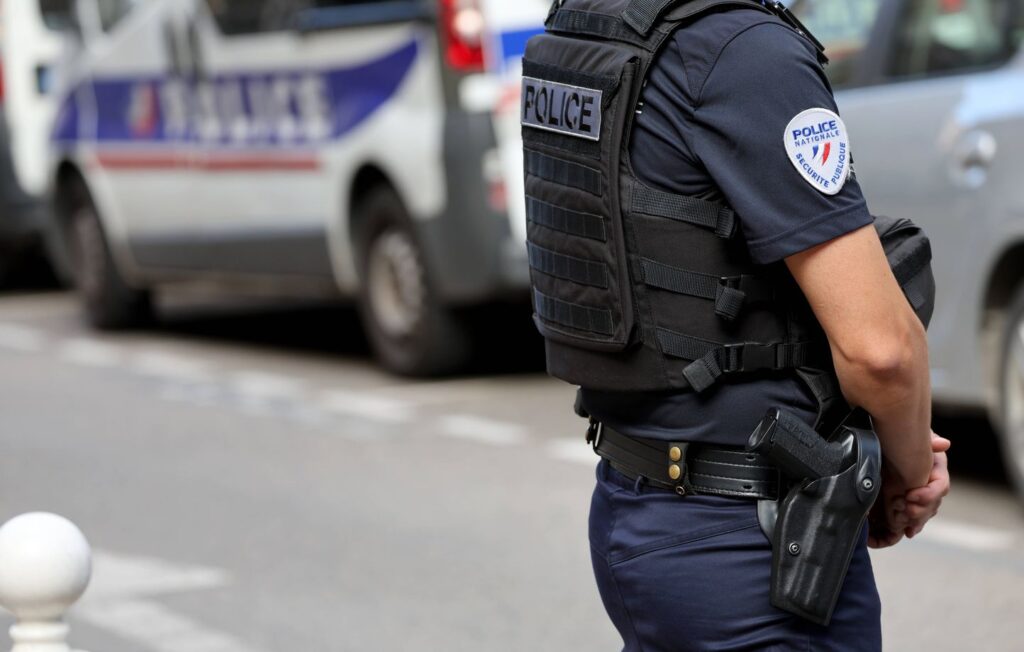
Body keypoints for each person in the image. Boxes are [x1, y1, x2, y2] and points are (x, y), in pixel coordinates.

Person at [520, 0, 951, 649]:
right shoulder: (743, 50)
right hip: (754, 545)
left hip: (637, 505)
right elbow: (881, 351)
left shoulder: (586, 23)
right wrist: (910, 467)